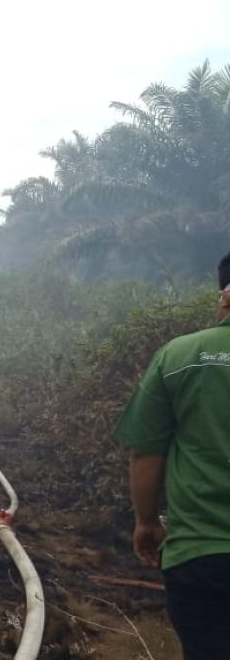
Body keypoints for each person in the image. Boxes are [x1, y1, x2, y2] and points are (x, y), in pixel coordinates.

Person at [113, 251, 230, 659]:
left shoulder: (180, 356)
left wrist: (146, 522)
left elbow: (146, 453)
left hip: (200, 554)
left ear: (224, 298)